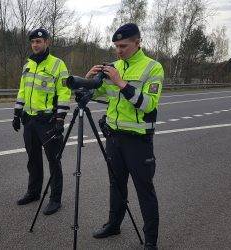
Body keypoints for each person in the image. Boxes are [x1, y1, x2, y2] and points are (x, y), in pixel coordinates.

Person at [86, 23, 164, 249]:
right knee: (116, 184)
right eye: (116, 46)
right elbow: (92, 94)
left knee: (144, 189)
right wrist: (88, 79)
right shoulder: (113, 66)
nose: (119, 51)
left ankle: (150, 240)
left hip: (138, 140)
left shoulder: (153, 68)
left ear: (138, 42)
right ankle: (114, 224)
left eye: (123, 46)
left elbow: (148, 106)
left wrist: (121, 82)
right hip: (114, 137)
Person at [12, 28, 71, 215]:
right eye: (33, 42)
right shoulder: (28, 64)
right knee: (33, 159)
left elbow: (64, 92)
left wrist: (60, 118)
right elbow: (23, 90)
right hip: (29, 120)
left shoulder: (58, 65)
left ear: (47, 42)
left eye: (39, 41)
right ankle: (34, 192)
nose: (35, 45)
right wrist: (16, 112)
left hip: (48, 120)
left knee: (54, 161)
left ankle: (55, 199)